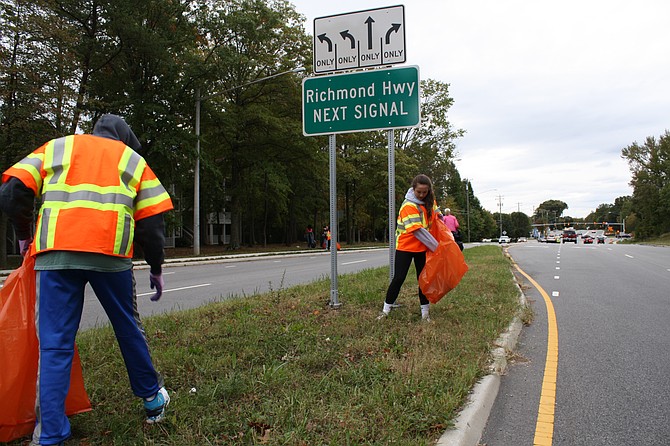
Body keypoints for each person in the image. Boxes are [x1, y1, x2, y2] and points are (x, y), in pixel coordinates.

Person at [0, 114, 174, 445]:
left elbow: (11, 194)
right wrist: (155, 267)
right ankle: (153, 402)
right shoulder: (131, 159)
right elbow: (151, 225)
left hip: (55, 257)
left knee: (54, 345)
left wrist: (24, 235)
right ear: (124, 138)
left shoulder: (56, 148)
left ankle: (50, 434)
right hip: (111, 257)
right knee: (127, 328)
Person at [378, 174, 439, 322]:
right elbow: (418, 231)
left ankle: (425, 314)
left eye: (425, 192)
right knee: (399, 278)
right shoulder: (408, 206)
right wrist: (437, 247)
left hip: (422, 248)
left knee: (423, 280)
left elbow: (437, 219)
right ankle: (386, 310)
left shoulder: (430, 202)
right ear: (413, 189)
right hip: (406, 247)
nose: (422, 194)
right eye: (419, 192)